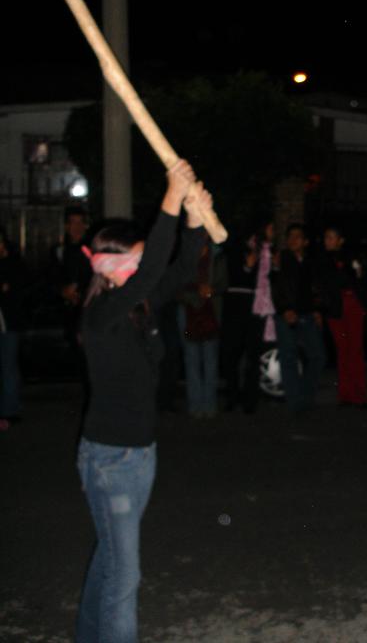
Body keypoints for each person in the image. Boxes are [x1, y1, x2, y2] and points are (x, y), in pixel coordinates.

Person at [75, 160, 207, 643]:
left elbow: (181, 268)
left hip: (139, 452)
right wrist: (171, 198)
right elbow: (152, 269)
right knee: (124, 576)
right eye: (133, 258)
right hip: (111, 459)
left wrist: (194, 215)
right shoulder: (102, 314)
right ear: (109, 266)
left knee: (110, 561)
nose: (142, 268)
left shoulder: (138, 306)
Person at [221, 221, 276, 413]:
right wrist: (247, 267)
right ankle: (233, 397)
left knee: (252, 356)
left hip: (255, 305)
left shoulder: (267, 250)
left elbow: (267, 278)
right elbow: (236, 274)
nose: (273, 231)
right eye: (270, 227)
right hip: (238, 303)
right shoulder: (241, 247)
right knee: (233, 355)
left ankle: (249, 400)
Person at [271, 223, 326, 414]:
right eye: (290, 236)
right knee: (289, 357)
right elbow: (276, 286)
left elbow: (315, 288)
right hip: (287, 315)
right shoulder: (282, 259)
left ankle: (304, 397)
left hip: (307, 314)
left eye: (297, 236)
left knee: (318, 356)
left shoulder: (309, 262)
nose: (293, 240)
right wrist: (285, 308)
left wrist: (317, 310)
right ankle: (296, 404)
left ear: (305, 241)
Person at [316, 225, 367, 407]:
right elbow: (326, 283)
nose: (327, 241)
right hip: (335, 307)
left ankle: (359, 395)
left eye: (331, 237)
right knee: (343, 350)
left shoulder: (350, 257)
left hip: (351, 303)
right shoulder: (322, 259)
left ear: (340, 240)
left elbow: (357, 278)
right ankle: (346, 394)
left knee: (355, 349)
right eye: (326, 237)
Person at [178, 236, 228, 418]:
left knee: (210, 357)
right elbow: (176, 285)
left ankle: (209, 405)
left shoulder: (219, 256)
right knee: (191, 357)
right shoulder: (184, 257)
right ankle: (195, 405)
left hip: (211, 311)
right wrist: (194, 294)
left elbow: (223, 283)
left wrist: (211, 290)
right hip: (187, 311)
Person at [50, 205, 92, 381]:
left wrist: (82, 293)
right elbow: (51, 277)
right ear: (66, 226)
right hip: (69, 310)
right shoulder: (59, 251)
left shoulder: (91, 250)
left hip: (89, 308)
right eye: (72, 223)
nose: (76, 227)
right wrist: (63, 291)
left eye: (80, 223)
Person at [0, 226, 26, 428]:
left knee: (8, 365)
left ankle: (10, 408)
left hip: (9, 322)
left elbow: (17, 288)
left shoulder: (13, 262)